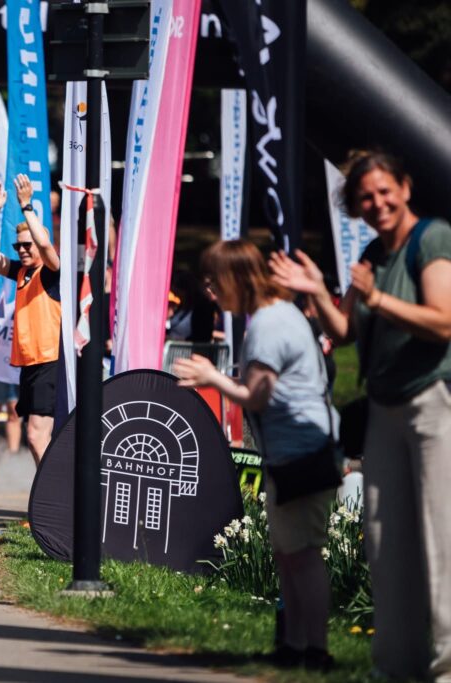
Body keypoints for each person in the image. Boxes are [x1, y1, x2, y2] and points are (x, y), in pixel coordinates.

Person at [271, 151, 451, 680]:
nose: (376, 204)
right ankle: (395, 668)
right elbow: (345, 329)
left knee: (441, 537)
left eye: (382, 191)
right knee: (384, 540)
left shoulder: (432, 239)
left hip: (433, 403)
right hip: (384, 408)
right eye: (365, 198)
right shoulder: (373, 252)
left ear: (406, 186)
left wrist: (378, 298)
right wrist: (315, 293)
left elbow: (443, 321)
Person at [174, 239, 336, 670]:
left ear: (236, 278)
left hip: (303, 452)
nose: (209, 291)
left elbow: (256, 396)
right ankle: (295, 646)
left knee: (301, 555)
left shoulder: (267, 323)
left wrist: (211, 377)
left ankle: (314, 651)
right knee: (290, 554)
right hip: (295, 451)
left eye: (214, 281)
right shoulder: (276, 315)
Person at [0, 176, 61, 464]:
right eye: (18, 246)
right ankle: (49, 499)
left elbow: (47, 247)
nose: (22, 250)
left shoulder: (50, 272)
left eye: (27, 245)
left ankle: (54, 501)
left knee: (38, 436)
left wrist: (26, 205)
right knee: (35, 437)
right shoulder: (22, 273)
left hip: (50, 360)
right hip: (30, 362)